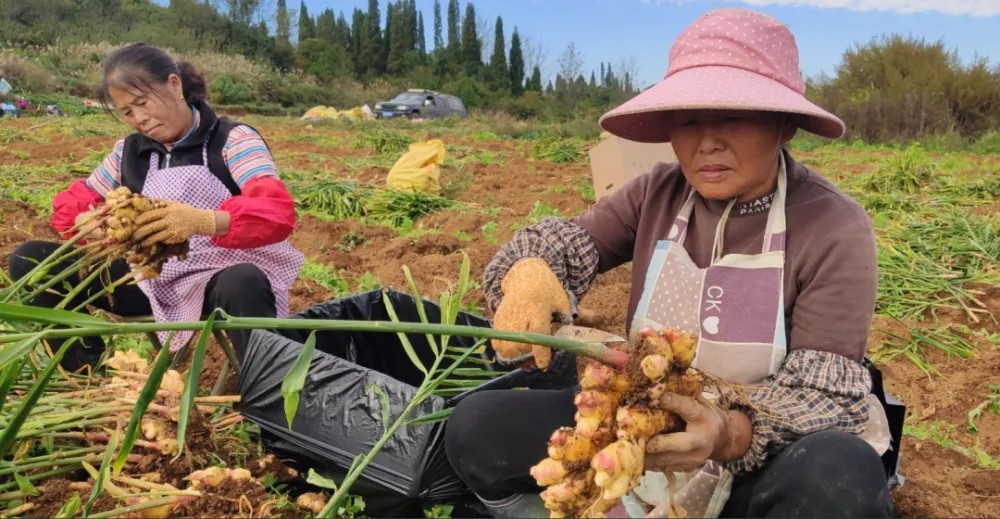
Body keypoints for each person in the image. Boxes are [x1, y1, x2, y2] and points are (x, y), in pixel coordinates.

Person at [444, 8, 895, 519]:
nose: (707, 141)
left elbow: (822, 398)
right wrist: (530, 271)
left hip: (759, 451)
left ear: (785, 124)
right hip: (642, 423)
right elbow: (565, 242)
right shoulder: (657, 194)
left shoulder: (832, 225)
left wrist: (728, 432)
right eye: (688, 119)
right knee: (476, 427)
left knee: (839, 478)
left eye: (732, 116)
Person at [8, 43, 304, 372]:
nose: (140, 119)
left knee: (244, 281)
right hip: (152, 280)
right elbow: (75, 199)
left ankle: (269, 393)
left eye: (142, 103)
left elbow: (275, 212)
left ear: (174, 85)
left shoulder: (232, 140)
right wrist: (84, 220)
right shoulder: (129, 153)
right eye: (127, 112)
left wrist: (202, 221)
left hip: (217, 280)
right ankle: (86, 371)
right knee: (31, 259)